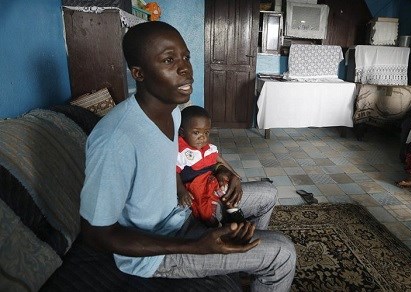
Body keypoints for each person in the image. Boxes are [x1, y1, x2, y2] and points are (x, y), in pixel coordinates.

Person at [79, 21, 296, 291]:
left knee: (267, 194)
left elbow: (191, 156)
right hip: (157, 251)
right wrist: (196, 246)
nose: (185, 69)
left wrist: (223, 170)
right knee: (283, 252)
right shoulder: (115, 140)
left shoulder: (172, 111)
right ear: (139, 73)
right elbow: (95, 233)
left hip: (186, 207)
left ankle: (248, 264)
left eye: (186, 57)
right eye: (169, 60)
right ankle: (256, 261)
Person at [176, 105, 245, 226]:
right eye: (196, 132)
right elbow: (174, 172)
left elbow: (218, 158)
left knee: (227, 189)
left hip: (210, 181)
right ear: (182, 132)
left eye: (206, 132)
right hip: (195, 187)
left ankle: (233, 212)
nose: (202, 137)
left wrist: (234, 174)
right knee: (203, 210)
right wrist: (181, 191)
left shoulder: (206, 147)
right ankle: (214, 226)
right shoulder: (182, 151)